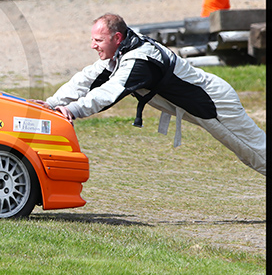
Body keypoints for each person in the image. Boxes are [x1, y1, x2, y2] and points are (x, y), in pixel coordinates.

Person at [36, 13, 265, 176]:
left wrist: (72, 110)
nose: (92, 46)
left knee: (254, 152)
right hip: (203, 103)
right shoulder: (123, 51)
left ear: (116, 38)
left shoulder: (138, 61)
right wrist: (52, 104)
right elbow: (86, 79)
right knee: (252, 154)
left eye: (98, 40)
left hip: (215, 103)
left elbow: (109, 93)